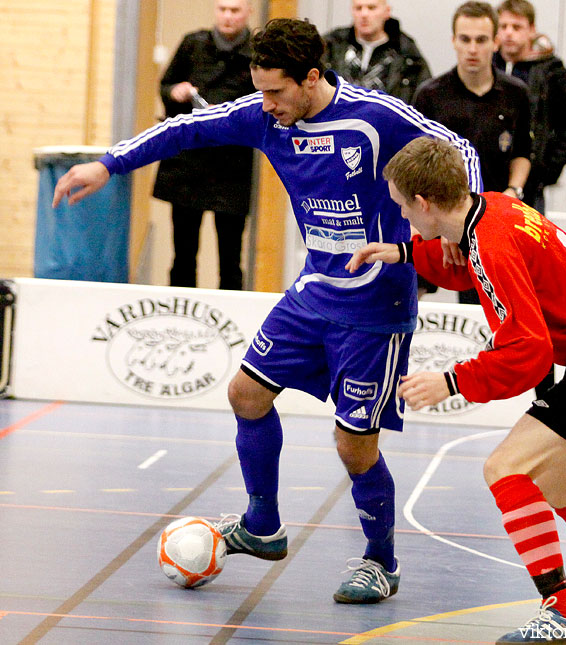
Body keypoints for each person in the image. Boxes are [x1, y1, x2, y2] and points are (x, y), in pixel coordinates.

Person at [53, 19, 482, 604]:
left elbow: (458, 147)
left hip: (377, 306)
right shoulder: (264, 116)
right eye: (260, 91)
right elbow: (186, 129)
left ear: (311, 78)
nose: (266, 104)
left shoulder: (374, 116)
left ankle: (381, 561)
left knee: (354, 444)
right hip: (312, 293)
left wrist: (468, 221)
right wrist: (109, 164)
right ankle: (262, 527)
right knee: (245, 394)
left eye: (276, 92)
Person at [347, 136, 566, 642]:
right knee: (562, 489)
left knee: (504, 469)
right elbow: (462, 258)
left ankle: (561, 612)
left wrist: (452, 380)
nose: (406, 220)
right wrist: (406, 252)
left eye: (405, 211)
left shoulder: (490, 242)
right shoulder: (492, 207)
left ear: (425, 204)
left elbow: (527, 349)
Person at [413, 0, 530, 305]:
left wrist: (513, 190)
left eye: (481, 40)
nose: (472, 49)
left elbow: (523, 152)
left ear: (495, 42)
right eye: (465, 39)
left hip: (493, 217)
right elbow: (416, 165)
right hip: (439, 217)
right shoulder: (430, 95)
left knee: (491, 304)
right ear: (453, 41)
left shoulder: (517, 93)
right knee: (411, 296)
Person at [153, 0, 255, 290]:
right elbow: (165, 85)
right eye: (222, 9)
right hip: (188, 161)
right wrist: (177, 91)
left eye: (235, 10)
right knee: (183, 254)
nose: (227, 16)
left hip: (232, 165)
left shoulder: (256, 53)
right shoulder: (193, 44)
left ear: (247, 12)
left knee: (231, 257)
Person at [494, 0, 566, 215]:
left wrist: (543, 171)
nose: (509, 33)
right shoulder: (487, 67)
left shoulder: (551, 72)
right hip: (488, 176)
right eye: (503, 26)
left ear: (531, 30)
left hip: (529, 186)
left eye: (516, 27)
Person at [323, 0, 431, 104]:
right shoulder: (332, 45)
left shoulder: (407, 55)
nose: (364, 14)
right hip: (336, 118)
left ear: (387, 12)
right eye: (358, 8)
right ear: (352, 11)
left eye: (371, 8)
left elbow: (424, 100)